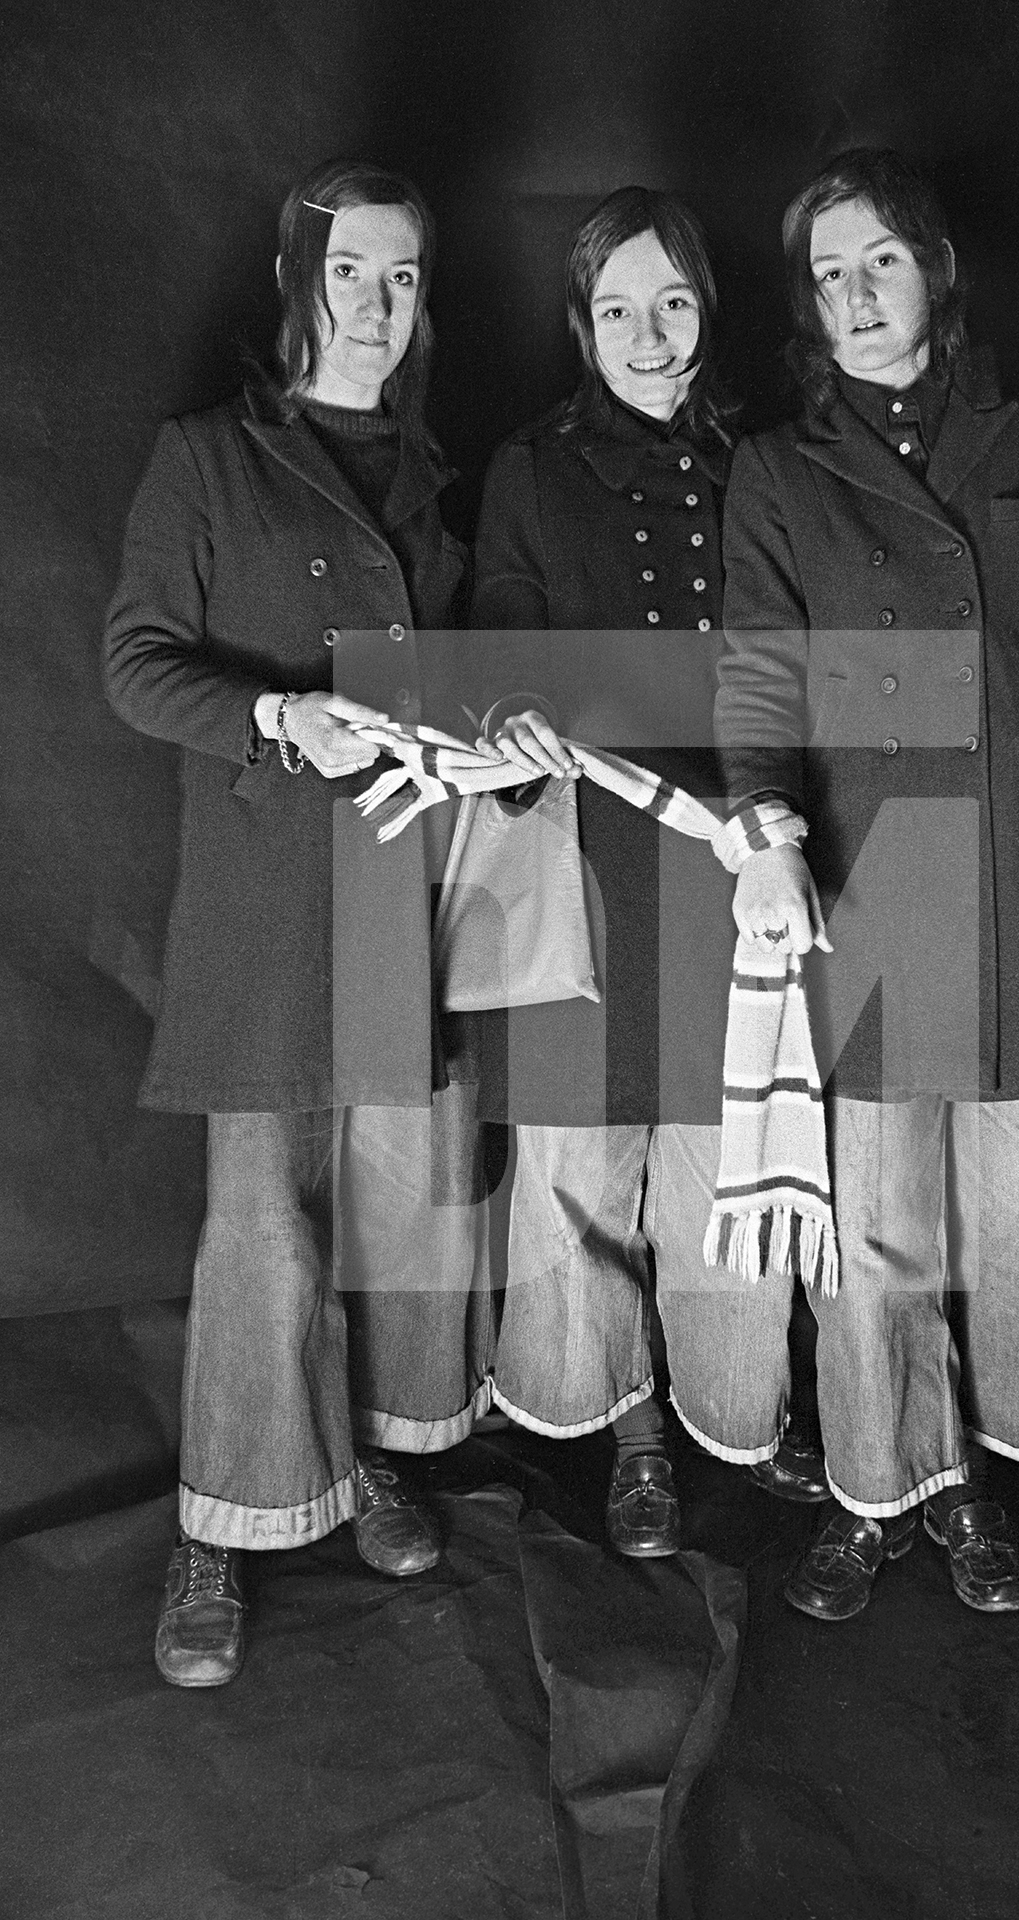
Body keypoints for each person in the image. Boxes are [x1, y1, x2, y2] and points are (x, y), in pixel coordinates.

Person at [715, 148, 1019, 1621]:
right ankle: (883, 1485)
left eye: (880, 264)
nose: (854, 296)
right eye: (829, 276)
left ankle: (993, 1469)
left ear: (936, 274)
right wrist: (770, 828)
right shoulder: (782, 470)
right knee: (878, 1211)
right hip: (878, 853)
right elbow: (762, 678)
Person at [103, 159, 496, 1687]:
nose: (380, 304)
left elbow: (451, 683)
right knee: (262, 1217)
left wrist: (489, 747)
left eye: (405, 277)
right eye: (354, 273)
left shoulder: (431, 476)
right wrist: (279, 717)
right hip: (269, 892)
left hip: (404, 888)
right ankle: (221, 1520)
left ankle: (359, 1465)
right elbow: (137, 664)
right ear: (299, 284)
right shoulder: (207, 457)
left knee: (399, 1204)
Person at [466, 186, 826, 1558]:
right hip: (584, 863)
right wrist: (505, 727)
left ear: (709, 309)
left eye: (670, 301)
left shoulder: (770, 462)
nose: (646, 332)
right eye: (616, 308)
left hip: (742, 860)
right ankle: (630, 1436)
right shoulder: (531, 469)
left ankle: (739, 1408)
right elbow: (502, 634)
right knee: (579, 1157)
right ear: (581, 324)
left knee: (726, 1148)